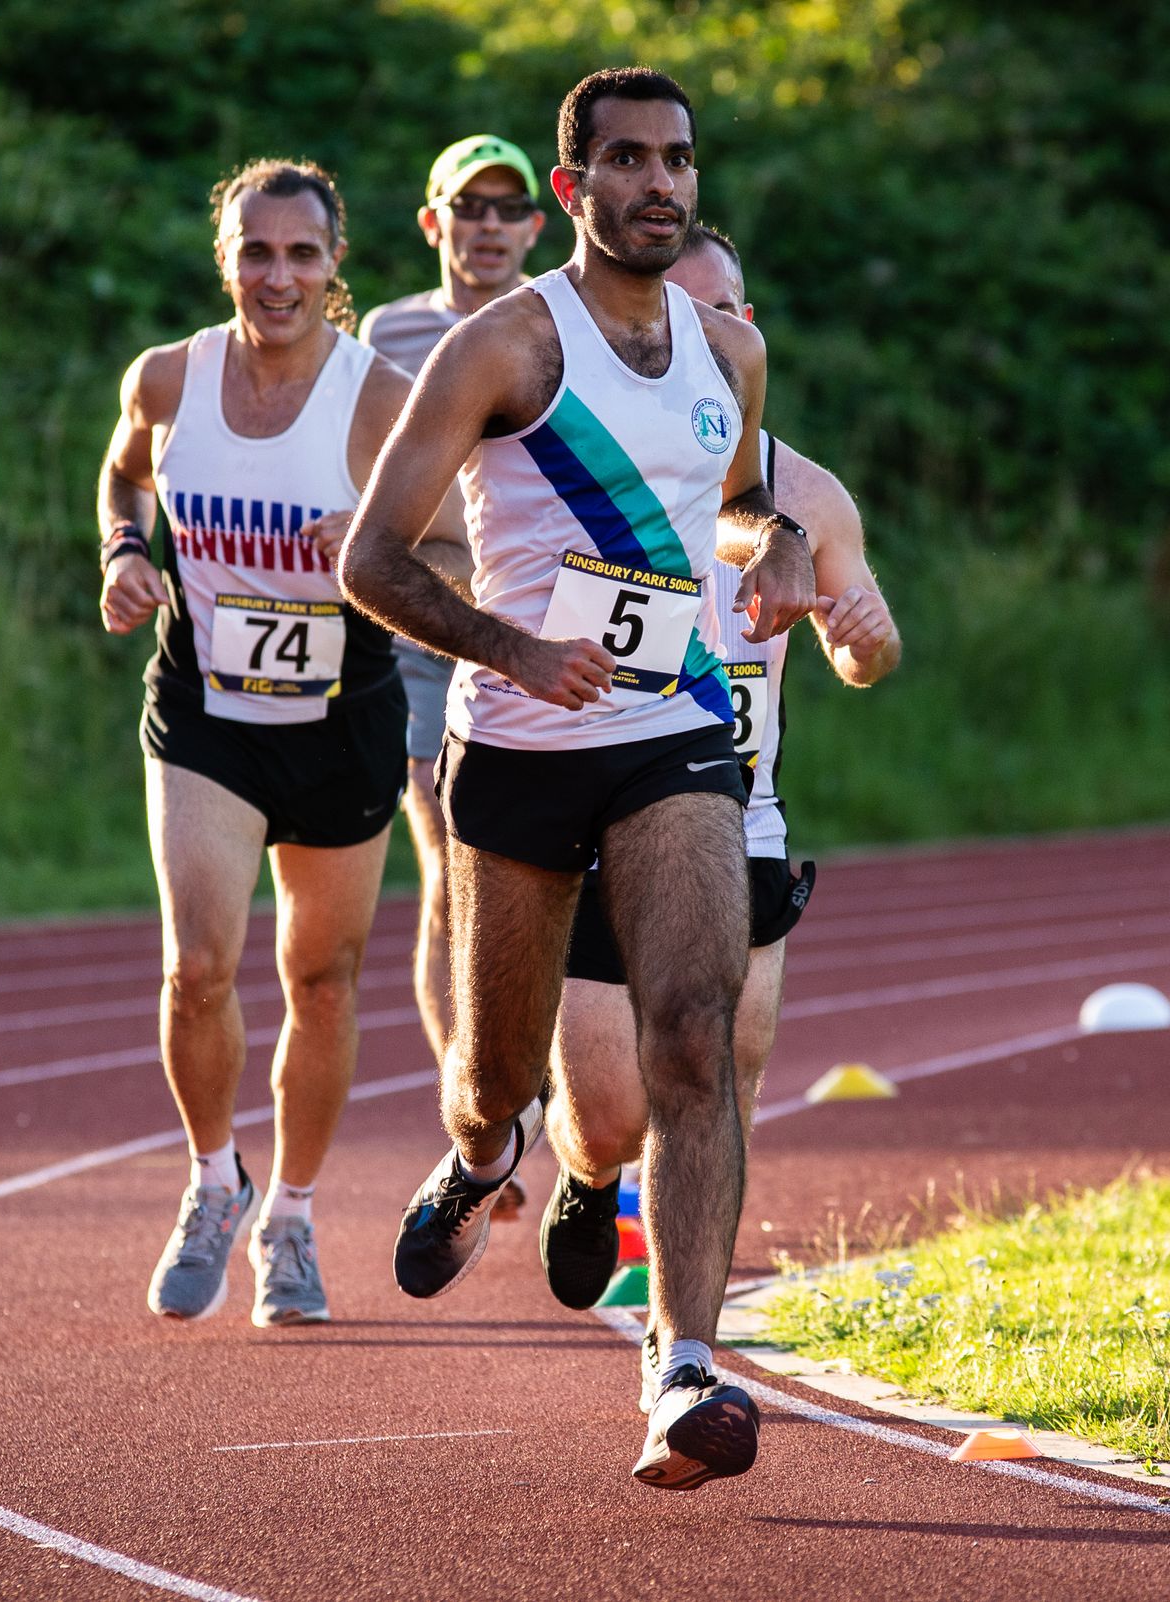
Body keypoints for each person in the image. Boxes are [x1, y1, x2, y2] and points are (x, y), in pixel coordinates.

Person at [340, 69, 816, 1490]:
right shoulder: (504, 347)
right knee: (494, 1076)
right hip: (519, 746)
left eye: (678, 159)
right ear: (573, 188)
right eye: (628, 160)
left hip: (675, 730)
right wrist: (514, 649)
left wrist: (779, 543)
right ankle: (488, 1157)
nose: (659, 183)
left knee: (692, 1036)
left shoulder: (730, 353)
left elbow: (734, 502)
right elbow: (370, 560)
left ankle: (683, 1368)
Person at [536, 227, 903, 1416]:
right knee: (608, 1113)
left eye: (730, 312)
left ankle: (679, 1350)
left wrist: (863, 640)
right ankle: (588, 1178)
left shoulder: (808, 494)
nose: (714, 333)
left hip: (741, 825)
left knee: (720, 1075)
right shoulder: (581, 470)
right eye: (687, 314)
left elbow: (866, 645)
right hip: (604, 815)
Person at [98, 159, 464, 1328]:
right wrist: (123, 551)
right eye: (256, 251)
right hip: (207, 714)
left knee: (320, 977)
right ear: (226, 260)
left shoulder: (383, 400)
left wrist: (372, 546)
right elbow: (123, 474)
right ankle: (215, 1181)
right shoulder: (168, 378)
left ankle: (292, 1218)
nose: (278, 276)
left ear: (334, 263)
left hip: (341, 719)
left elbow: (462, 550)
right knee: (197, 967)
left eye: (302, 254)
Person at [358, 135, 548, 1082]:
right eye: (470, 207)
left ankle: (550, 1071)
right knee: (449, 860)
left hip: (540, 627)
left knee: (547, 871)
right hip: (427, 634)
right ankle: (471, 1096)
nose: (489, 226)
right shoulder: (387, 335)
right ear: (434, 222)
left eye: (508, 209)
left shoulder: (560, 326)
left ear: (536, 226)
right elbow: (354, 460)